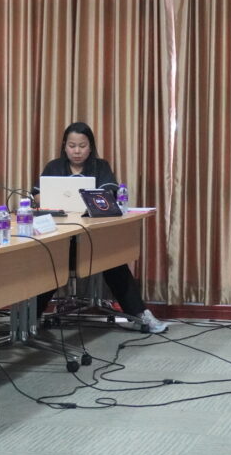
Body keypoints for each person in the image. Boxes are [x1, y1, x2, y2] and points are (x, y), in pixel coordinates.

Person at [36, 122, 167, 334]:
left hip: (94, 240)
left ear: (90, 147)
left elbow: (109, 195)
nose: (77, 151)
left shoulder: (101, 167)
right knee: (50, 263)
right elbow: (37, 195)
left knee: (114, 262)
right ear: (64, 146)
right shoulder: (54, 167)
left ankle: (140, 314)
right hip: (60, 240)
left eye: (82, 146)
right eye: (72, 146)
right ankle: (31, 318)